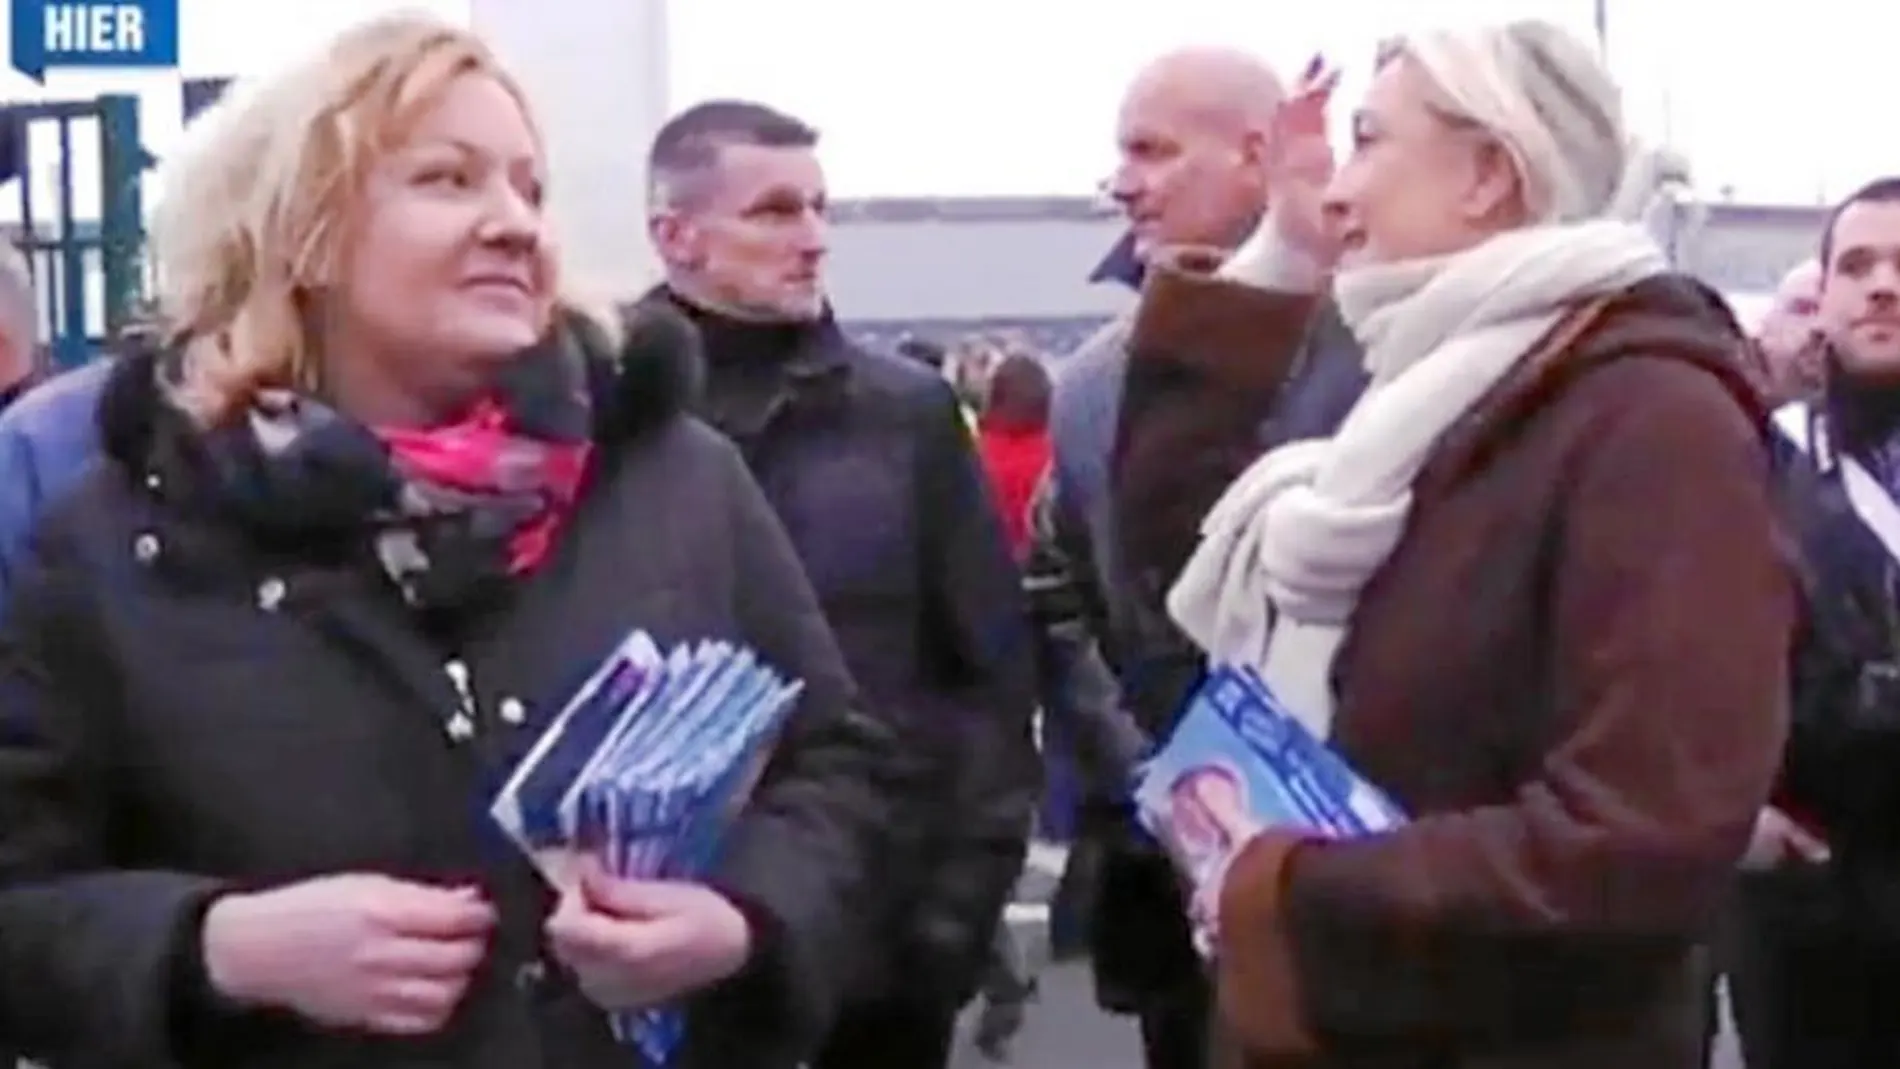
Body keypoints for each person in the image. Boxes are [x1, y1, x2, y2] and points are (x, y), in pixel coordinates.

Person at [0, 17, 891, 1069]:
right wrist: (216, 947)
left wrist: (741, 922)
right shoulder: (116, 540)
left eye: (529, 187)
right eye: (448, 179)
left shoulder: (675, 479)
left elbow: (838, 772)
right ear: (304, 229)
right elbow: (25, 907)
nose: (513, 223)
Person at [1120, 19, 1791, 1067]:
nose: (1337, 189)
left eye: (1369, 142)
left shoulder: (1649, 415)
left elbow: (1643, 833)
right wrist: (1280, 256)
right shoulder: (1437, 380)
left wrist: (1284, 890)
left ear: (1487, 173)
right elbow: (1178, 541)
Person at [639, 100, 1039, 1069]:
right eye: (775, 212)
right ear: (675, 235)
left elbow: (988, 677)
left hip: (880, 958)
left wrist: (951, 918)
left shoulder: (904, 418)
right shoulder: (604, 416)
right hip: (659, 940)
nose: (813, 239)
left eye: (820, 208)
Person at [1035, 47, 1367, 1069]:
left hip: (1361, 870)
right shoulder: (1093, 381)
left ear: (1260, 155)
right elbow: (1056, 592)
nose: (1120, 180)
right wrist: (1162, 779)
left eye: (1152, 150)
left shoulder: (1383, 349)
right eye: (1120, 153)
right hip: (1172, 876)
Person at [1731, 175, 1900, 1069]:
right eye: (1857, 265)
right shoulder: (1749, 453)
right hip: (1809, 891)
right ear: (1822, 298)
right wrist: (1729, 806)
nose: (1882, 285)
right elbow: (1680, 655)